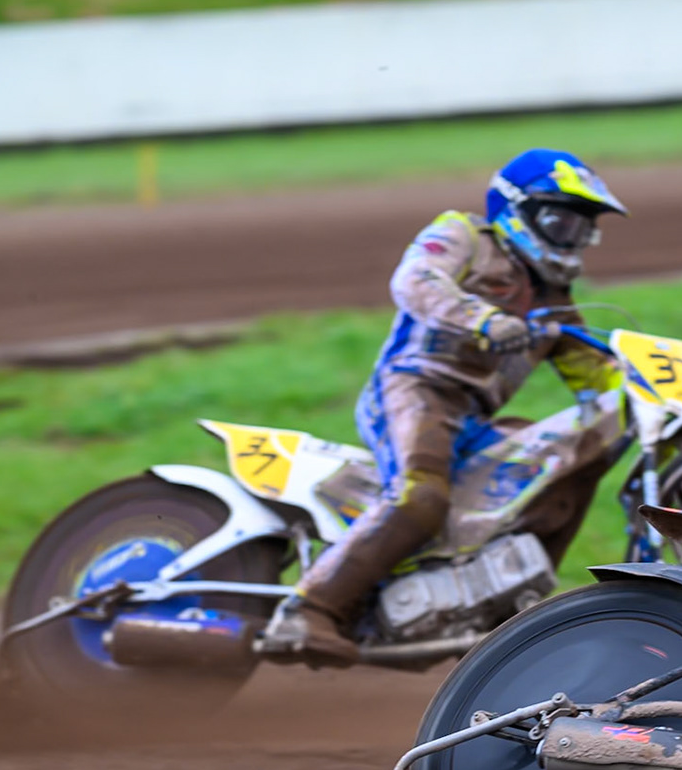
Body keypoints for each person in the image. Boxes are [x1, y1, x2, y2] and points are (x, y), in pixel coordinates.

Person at [261, 148, 629, 666]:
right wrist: (483, 318)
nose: (570, 235)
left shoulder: (553, 297)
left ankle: (500, 614)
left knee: (557, 466)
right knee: (420, 495)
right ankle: (309, 607)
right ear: (516, 209)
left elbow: (596, 375)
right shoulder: (465, 236)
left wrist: (672, 383)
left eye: (579, 226)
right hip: (415, 390)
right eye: (559, 219)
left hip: (473, 420)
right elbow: (415, 281)